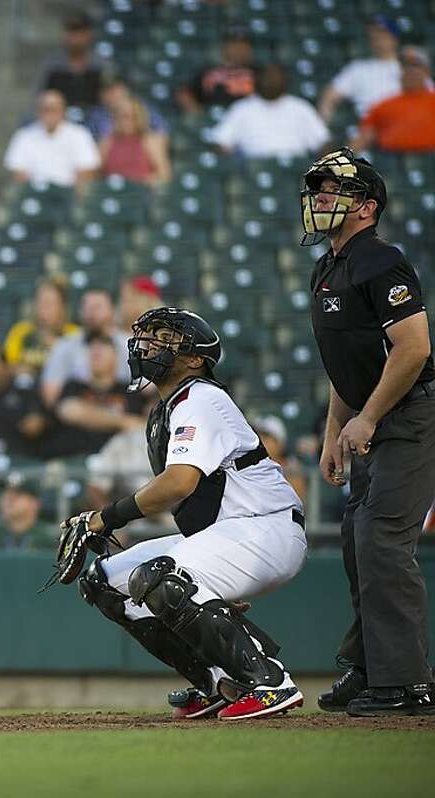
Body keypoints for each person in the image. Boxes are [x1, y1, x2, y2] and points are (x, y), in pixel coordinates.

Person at [65, 307, 308, 720]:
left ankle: (267, 681)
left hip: (267, 530)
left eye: (165, 336)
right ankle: (219, 682)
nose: (150, 343)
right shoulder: (167, 409)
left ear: (195, 357)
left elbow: (178, 483)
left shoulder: (202, 397)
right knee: (103, 581)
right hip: (229, 534)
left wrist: (104, 518)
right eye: (149, 334)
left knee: (161, 577)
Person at [300, 148, 435, 716]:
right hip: (371, 419)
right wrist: (336, 430)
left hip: (409, 416)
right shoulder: (328, 265)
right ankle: (369, 667)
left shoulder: (382, 260)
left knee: (381, 540)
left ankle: (407, 684)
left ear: (367, 207)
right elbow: (349, 362)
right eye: (318, 189)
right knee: (361, 543)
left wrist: (370, 417)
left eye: (334, 190)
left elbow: (413, 349)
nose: (320, 198)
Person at [50, 334, 146, 457]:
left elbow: (141, 425)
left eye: (101, 352)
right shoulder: (74, 386)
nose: (96, 354)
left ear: (115, 357)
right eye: (93, 353)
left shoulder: (131, 390)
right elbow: (70, 411)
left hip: (118, 461)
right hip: (75, 458)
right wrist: (123, 422)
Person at [210, 64, 329, 160]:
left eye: (275, 77)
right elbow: (220, 143)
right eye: (266, 76)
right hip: (253, 169)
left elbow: (323, 142)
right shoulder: (242, 108)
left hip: (297, 171)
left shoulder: (301, 107)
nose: (270, 80)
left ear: (285, 81)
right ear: (257, 80)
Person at [41, 288, 129, 406]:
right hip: (73, 417)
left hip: (122, 409)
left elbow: (147, 391)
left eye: (97, 307)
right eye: (86, 307)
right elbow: (51, 396)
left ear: (112, 310)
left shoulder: (130, 345)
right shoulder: (64, 346)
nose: (91, 313)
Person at [4, 90, 100, 189]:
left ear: (63, 110)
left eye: (54, 109)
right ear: (38, 111)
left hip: (68, 194)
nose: (49, 114)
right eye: (45, 109)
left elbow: (86, 170)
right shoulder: (24, 136)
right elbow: (18, 171)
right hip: (34, 192)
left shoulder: (80, 134)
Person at [351, 47, 435, 155]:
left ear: (426, 71)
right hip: (393, 163)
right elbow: (361, 140)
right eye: (405, 66)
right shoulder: (383, 105)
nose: (410, 71)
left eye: (415, 65)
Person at [319, 16, 404, 123]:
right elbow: (329, 96)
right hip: (369, 128)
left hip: (402, 126)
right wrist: (324, 124)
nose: (376, 38)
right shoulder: (358, 69)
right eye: (373, 34)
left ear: (394, 38)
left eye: (381, 33)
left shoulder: (409, 69)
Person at [3, 277, 78, 379]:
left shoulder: (74, 334)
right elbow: (8, 366)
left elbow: (79, 369)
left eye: (49, 303)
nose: (43, 308)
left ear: (62, 307)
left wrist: (57, 348)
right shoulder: (21, 331)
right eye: (40, 302)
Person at [37, 12, 107, 109]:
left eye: (79, 31)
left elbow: (109, 100)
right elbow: (40, 98)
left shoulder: (100, 65)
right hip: (59, 119)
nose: (75, 38)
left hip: (94, 119)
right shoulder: (52, 65)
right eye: (71, 31)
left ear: (89, 34)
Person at [177, 30, 255, 113]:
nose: (238, 49)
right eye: (234, 44)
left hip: (248, 120)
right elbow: (184, 92)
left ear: (249, 49)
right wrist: (197, 114)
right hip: (213, 121)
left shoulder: (258, 73)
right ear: (225, 47)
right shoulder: (208, 72)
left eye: (243, 45)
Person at [99, 97, 170, 185]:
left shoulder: (150, 141)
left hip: (142, 192)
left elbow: (164, 175)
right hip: (113, 192)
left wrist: (141, 181)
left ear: (139, 117)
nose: (125, 121)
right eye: (120, 116)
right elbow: (96, 174)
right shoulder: (107, 142)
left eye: (129, 116)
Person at [0, 473, 58, 550]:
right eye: (5, 493)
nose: (8, 498)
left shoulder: (49, 539)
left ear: (35, 503)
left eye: (17, 494)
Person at [86, 77, 168, 140]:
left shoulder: (142, 107)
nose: (112, 94)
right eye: (107, 90)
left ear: (125, 89)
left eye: (115, 89)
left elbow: (162, 132)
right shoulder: (95, 115)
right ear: (101, 94)